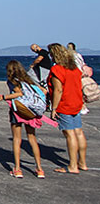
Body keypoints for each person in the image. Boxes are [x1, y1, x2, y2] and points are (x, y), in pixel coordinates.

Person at [0, 61, 46, 178]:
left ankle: (17, 169)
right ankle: (39, 169)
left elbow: (18, 94)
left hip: (18, 111)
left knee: (17, 139)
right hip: (31, 111)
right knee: (32, 138)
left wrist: (3, 97)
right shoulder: (29, 80)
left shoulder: (12, 81)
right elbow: (43, 90)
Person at [47, 43, 88, 174]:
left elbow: (58, 90)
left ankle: (73, 165)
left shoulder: (57, 70)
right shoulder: (74, 68)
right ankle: (82, 162)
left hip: (65, 104)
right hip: (77, 102)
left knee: (70, 135)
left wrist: (54, 108)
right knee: (79, 133)